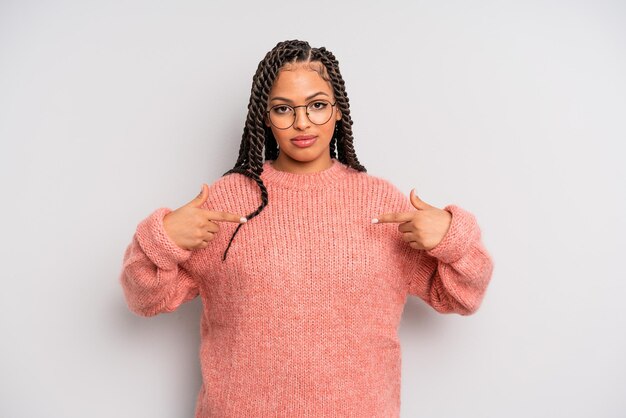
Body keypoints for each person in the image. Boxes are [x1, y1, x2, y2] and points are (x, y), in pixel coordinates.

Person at [119, 39, 494, 418]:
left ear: (338, 112)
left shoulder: (382, 204)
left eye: (317, 105)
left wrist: (452, 237)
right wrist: (162, 237)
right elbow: (144, 299)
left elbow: (463, 296)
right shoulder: (226, 204)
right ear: (265, 117)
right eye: (283, 109)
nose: (302, 122)